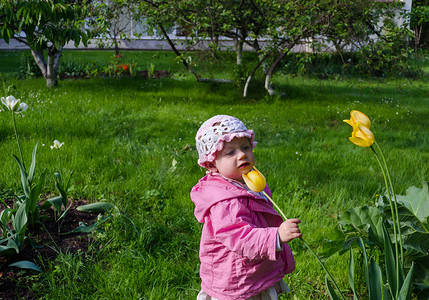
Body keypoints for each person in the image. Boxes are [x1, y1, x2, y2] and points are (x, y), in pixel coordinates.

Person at [190, 115, 302, 300]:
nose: (242, 155)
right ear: (212, 164)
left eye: (245, 147)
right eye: (230, 152)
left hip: (254, 267)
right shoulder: (224, 201)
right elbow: (239, 238)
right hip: (235, 277)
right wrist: (276, 236)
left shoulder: (250, 181)